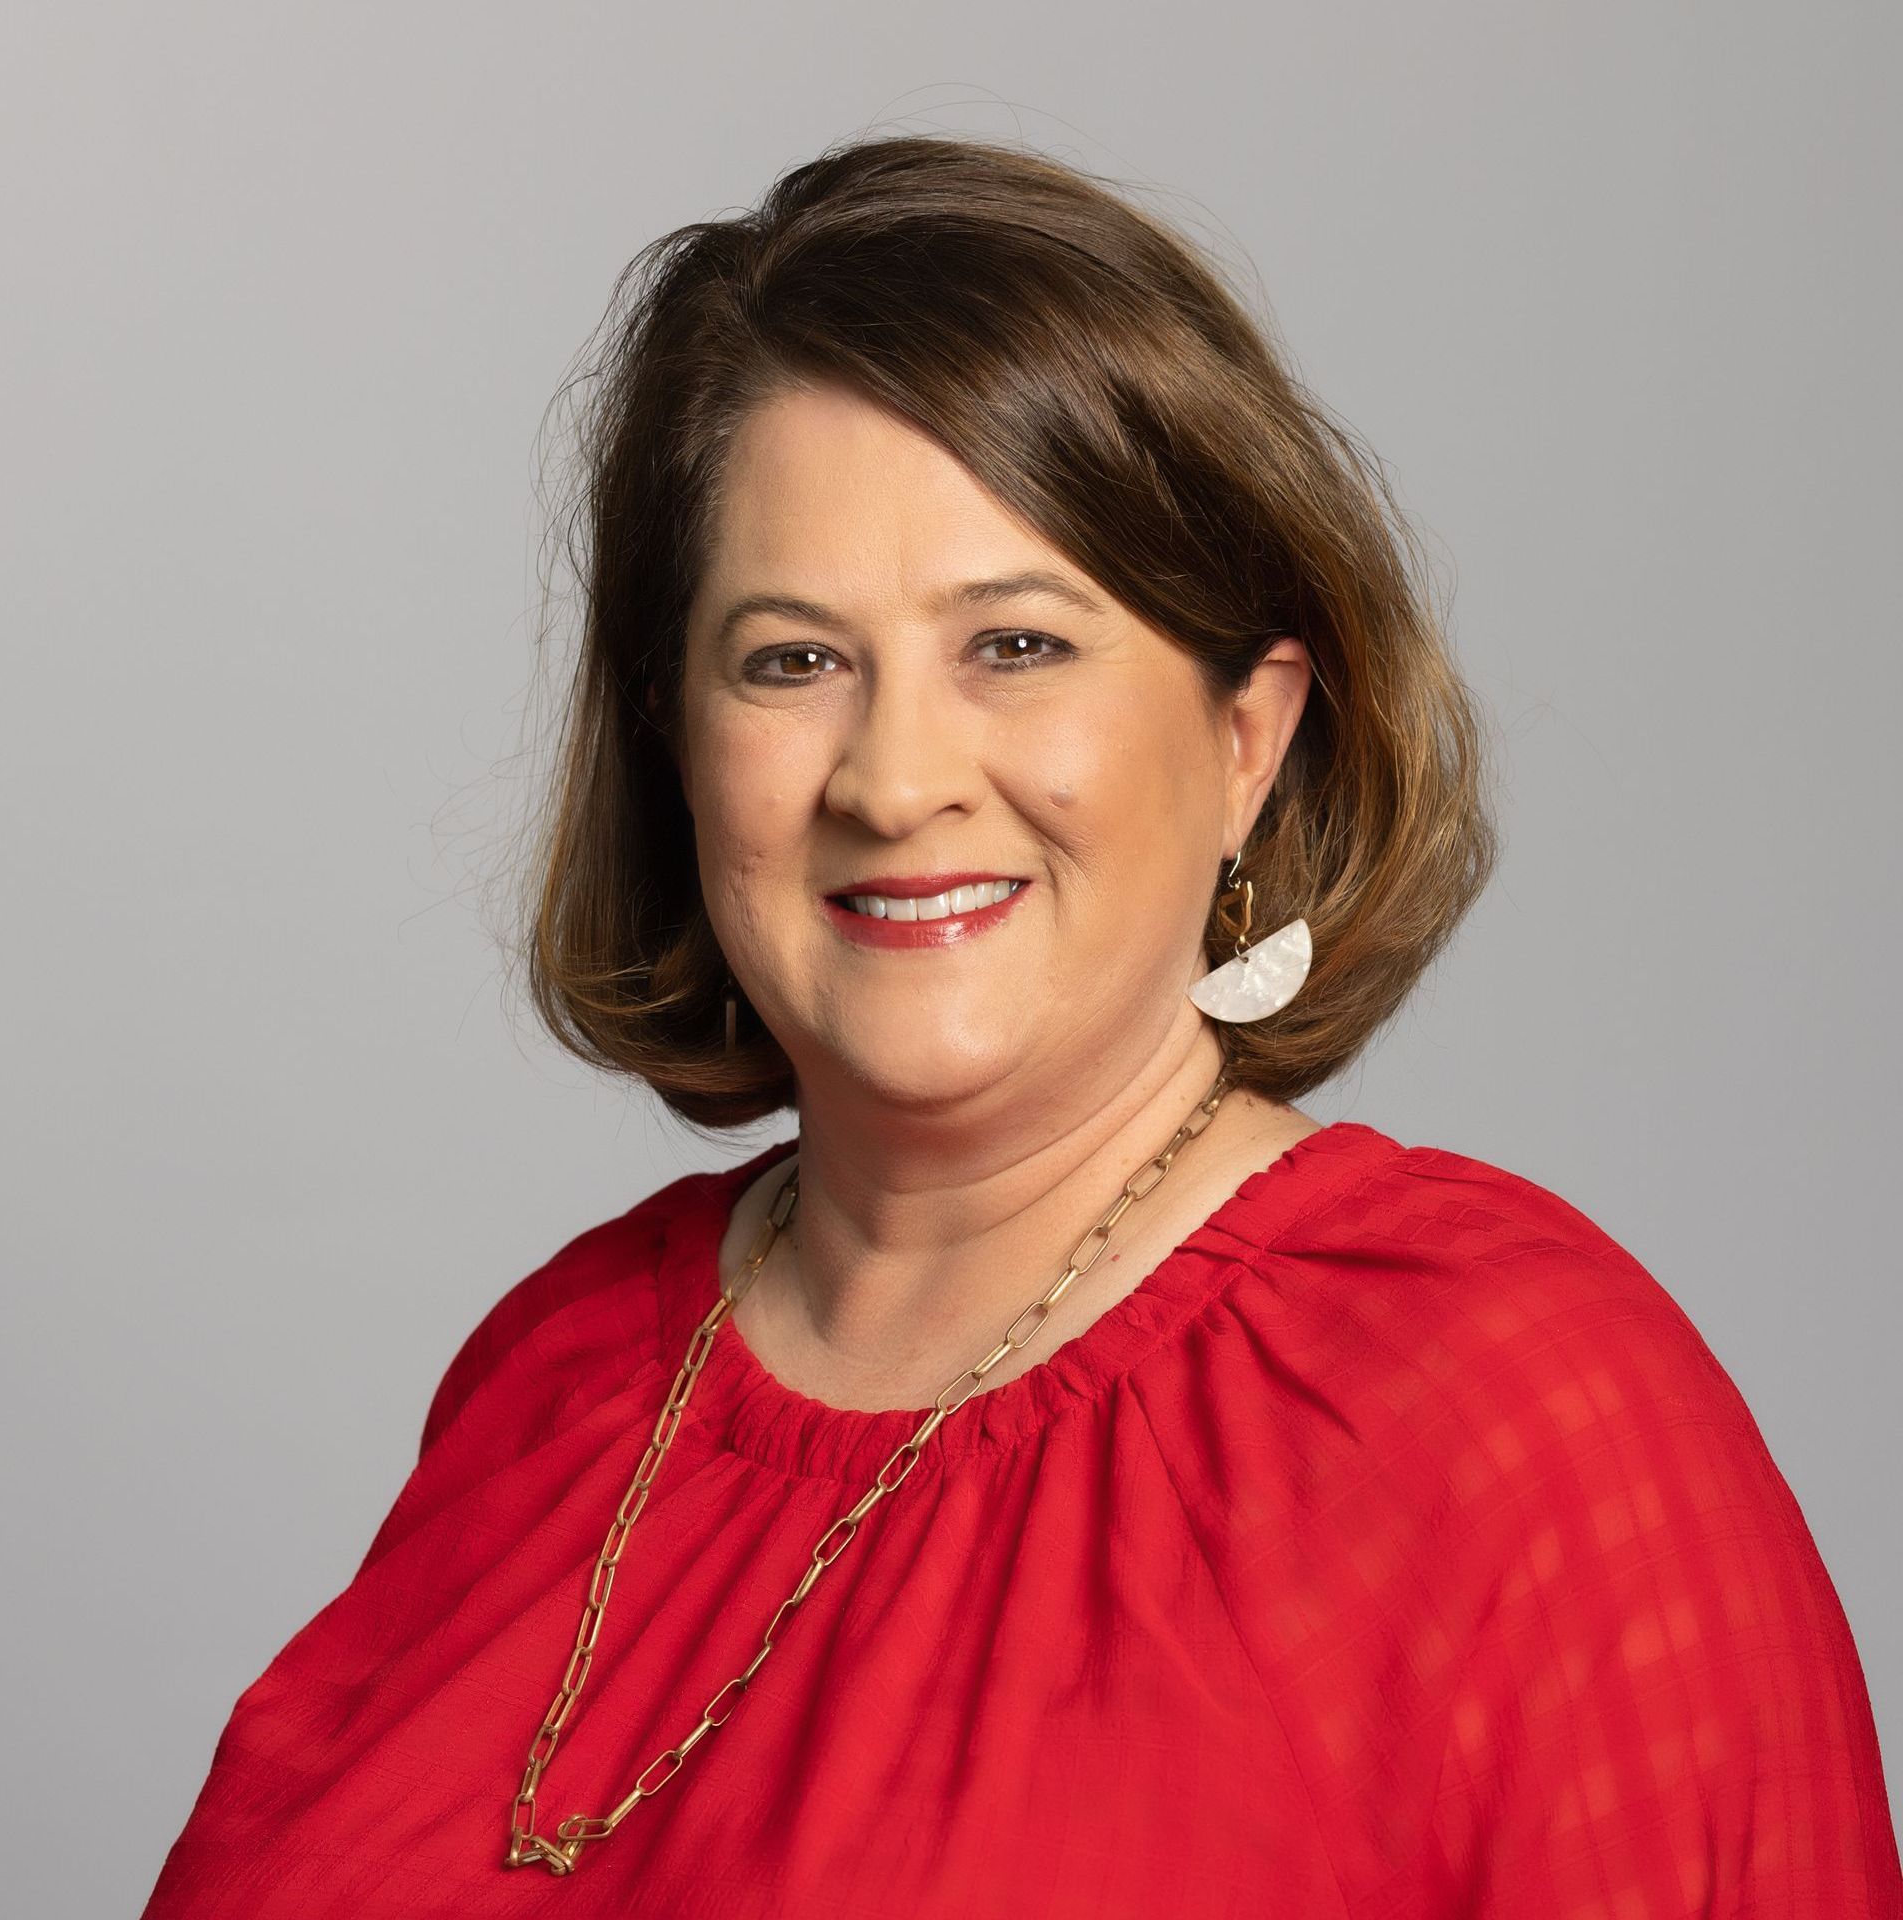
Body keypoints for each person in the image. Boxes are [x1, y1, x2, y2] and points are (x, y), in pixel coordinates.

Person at [142, 132, 1903, 1918]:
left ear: (1247, 737)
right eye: (792, 661)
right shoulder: (556, 1375)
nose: (897, 781)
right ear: (677, 743)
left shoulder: (1510, 1421)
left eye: (1018, 645)